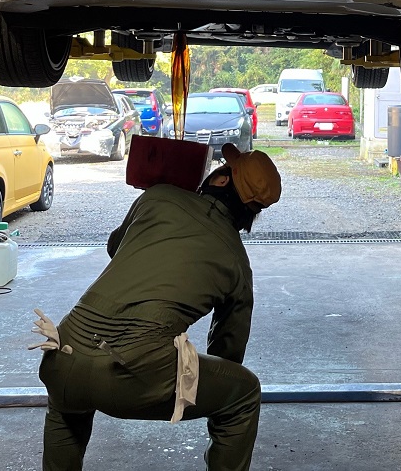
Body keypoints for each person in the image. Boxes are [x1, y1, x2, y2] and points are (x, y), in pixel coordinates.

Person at [31, 143, 282, 471]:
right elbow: (227, 353)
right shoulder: (237, 262)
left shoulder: (158, 196)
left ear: (221, 180)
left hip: (64, 354)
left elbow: (115, 247)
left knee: (67, 404)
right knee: (244, 393)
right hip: (132, 376)